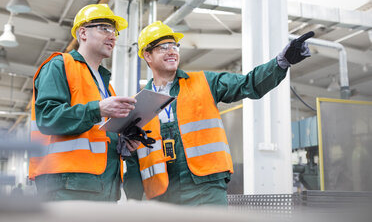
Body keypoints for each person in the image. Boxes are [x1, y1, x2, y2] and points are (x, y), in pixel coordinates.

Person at [123, 21, 314, 205]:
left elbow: (248, 84)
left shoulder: (205, 82)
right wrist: (132, 203)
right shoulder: (137, 106)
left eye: (174, 45)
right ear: (147, 56)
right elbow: (133, 162)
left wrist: (281, 62)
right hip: (163, 196)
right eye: (163, 47)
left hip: (207, 189)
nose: (172, 51)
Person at [29, 4, 140, 201]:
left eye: (114, 31)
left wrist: (122, 143)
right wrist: (97, 109)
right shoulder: (60, 65)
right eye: (104, 28)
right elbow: (48, 118)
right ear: (83, 33)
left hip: (103, 187)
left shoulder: (106, 86)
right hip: (66, 185)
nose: (112, 36)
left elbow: (96, 134)